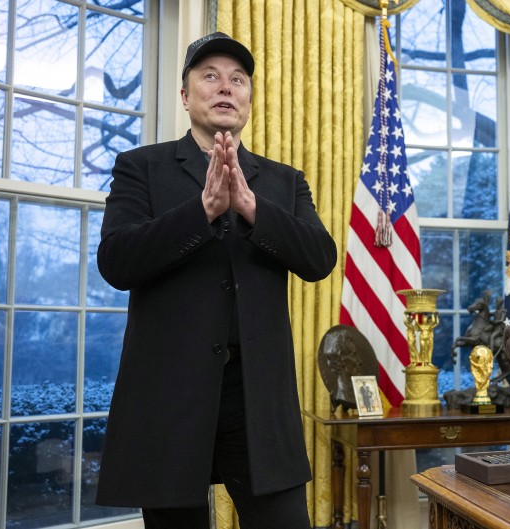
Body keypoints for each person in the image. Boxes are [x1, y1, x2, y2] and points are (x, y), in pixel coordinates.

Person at [94, 32, 337, 528]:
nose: (225, 86)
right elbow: (116, 261)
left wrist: (250, 207)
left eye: (238, 79)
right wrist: (203, 211)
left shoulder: (283, 181)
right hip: (170, 398)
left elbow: (320, 258)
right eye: (209, 76)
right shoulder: (140, 167)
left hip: (257, 400)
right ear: (185, 96)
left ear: (248, 99)